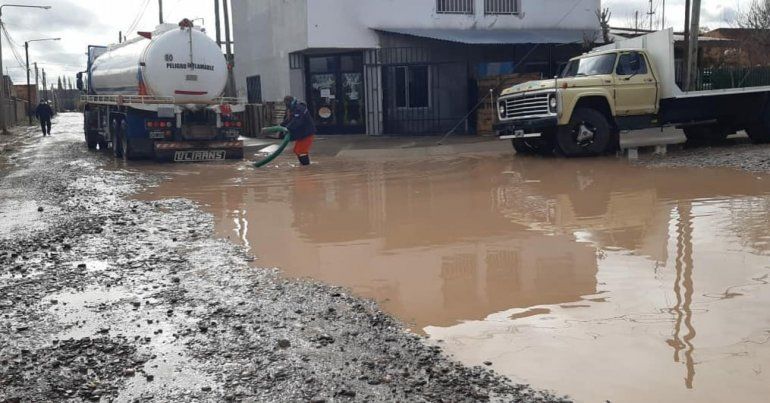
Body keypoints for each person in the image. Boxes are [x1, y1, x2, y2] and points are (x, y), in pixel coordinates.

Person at [281, 95, 316, 166]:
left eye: (286, 103)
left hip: (307, 133)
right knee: (297, 150)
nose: (286, 105)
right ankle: (304, 166)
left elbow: (296, 122)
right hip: (302, 134)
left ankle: (306, 169)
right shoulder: (294, 109)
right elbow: (288, 120)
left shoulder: (299, 109)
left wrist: (287, 128)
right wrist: (280, 126)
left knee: (301, 151)